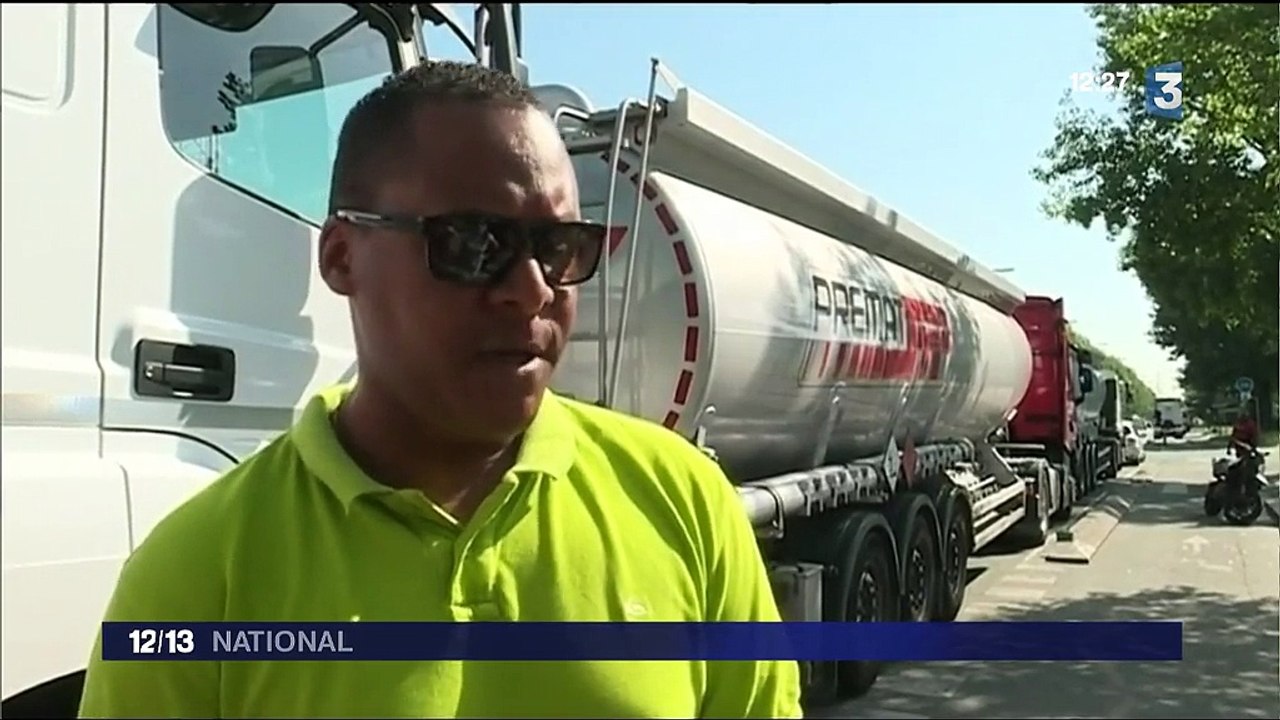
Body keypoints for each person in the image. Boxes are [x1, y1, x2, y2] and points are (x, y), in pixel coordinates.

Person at [77, 61, 803, 719]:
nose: (530, 291)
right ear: (340, 256)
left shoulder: (684, 503)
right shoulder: (200, 575)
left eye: (558, 248)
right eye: (472, 243)